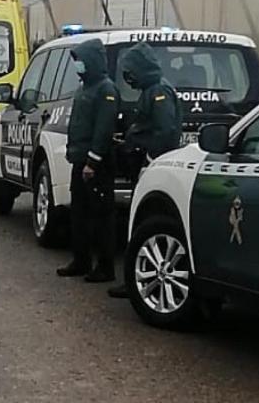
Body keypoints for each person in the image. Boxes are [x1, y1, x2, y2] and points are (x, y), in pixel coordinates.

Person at [108, 42, 182, 298]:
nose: (127, 77)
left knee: (142, 224)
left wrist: (150, 159)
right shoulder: (150, 90)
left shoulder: (159, 91)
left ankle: (136, 281)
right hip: (146, 163)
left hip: (154, 166)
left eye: (130, 71)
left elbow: (164, 129)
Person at [56, 39, 119, 283]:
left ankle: (104, 267)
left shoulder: (106, 90)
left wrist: (93, 160)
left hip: (96, 164)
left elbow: (103, 128)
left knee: (101, 216)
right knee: (79, 214)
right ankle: (80, 260)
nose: (78, 66)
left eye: (80, 61)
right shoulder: (85, 88)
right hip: (80, 161)